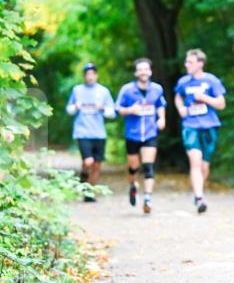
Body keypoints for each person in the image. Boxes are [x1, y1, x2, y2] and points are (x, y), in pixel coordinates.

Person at [174, 49, 226, 214]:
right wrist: (181, 107)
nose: (186, 65)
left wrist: (204, 98)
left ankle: (199, 191)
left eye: (190, 62)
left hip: (209, 125)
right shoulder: (183, 81)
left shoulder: (212, 81)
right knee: (195, 161)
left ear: (200, 64)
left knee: (204, 167)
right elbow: (178, 96)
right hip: (190, 126)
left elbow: (221, 104)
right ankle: (199, 198)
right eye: (186, 62)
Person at [116, 58, 167, 214]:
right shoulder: (127, 90)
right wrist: (130, 110)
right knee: (133, 167)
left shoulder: (157, 89)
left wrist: (162, 118)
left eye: (146, 69)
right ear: (136, 72)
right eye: (140, 69)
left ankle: (147, 198)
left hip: (150, 132)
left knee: (148, 166)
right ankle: (133, 186)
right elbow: (117, 108)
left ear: (150, 71)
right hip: (133, 133)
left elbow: (160, 105)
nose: (143, 72)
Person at [65, 62, 116, 202]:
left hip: (99, 133)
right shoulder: (77, 90)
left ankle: (89, 193)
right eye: (87, 74)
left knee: (97, 165)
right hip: (82, 131)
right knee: (88, 162)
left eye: (93, 73)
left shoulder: (103, 91)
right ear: (84, 76)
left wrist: (103, 109)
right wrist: (75, 106)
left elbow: (112, 113)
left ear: (96, 75)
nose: (90, 76)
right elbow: (69, 110)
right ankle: (83, 176)